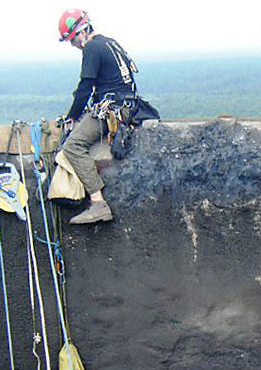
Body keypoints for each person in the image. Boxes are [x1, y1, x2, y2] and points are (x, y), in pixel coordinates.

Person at [58, 8, 155, 224]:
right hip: (128, 104)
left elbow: (85, 87)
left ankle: (98, 203)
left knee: (73, 146)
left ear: (81, 32)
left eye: (72, 39)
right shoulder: (110, 42)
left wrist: (72, 116)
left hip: (112, 109)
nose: (73, 45)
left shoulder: (92, 48)